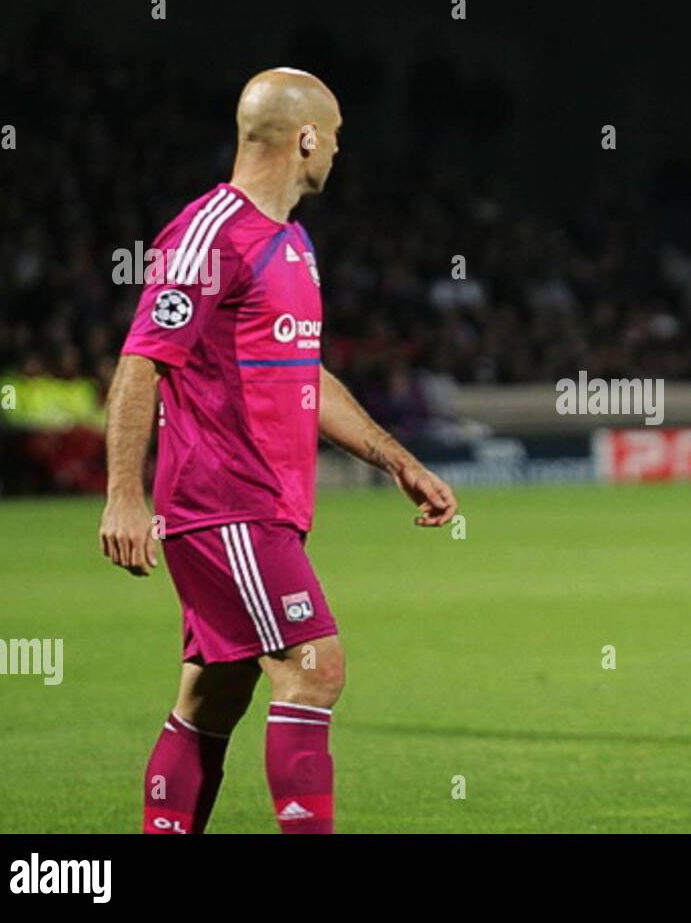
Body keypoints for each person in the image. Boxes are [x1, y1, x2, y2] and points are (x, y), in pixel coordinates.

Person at [99, 68, 459, 834]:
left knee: (213, 695)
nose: (335, 150)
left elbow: (303, 371)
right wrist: (124, 494)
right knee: (313, 668)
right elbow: (142, 360)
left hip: (268, 506)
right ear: (304, 139)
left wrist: (398, 459)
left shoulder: (292, 242)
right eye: (332, 137)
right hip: (226, 498)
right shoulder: (211, 232)